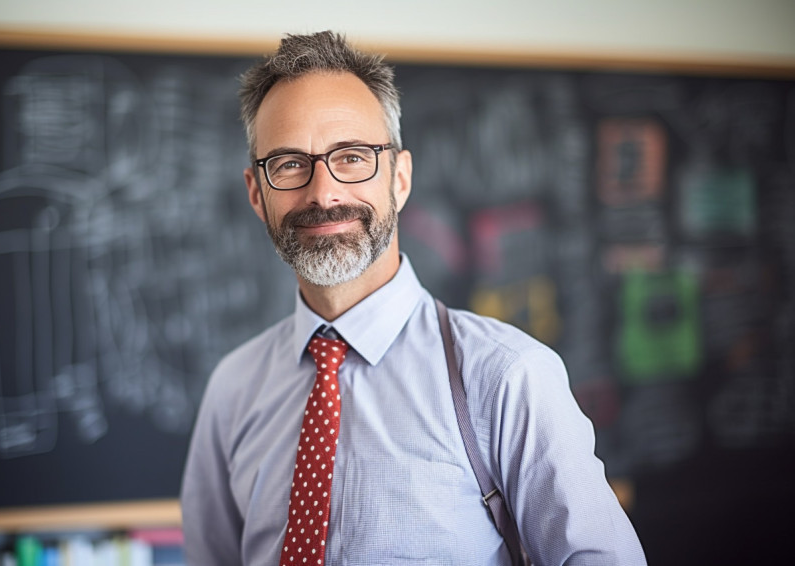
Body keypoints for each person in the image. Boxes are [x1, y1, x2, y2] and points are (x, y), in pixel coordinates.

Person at [181, 31, 647, 566]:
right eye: (289, 164)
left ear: (399, 179)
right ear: (256, 194)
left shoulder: (507, 378)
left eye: (352, 157)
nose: (323, 193)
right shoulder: (233, 390)